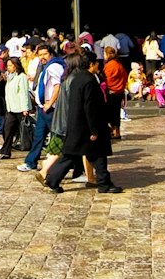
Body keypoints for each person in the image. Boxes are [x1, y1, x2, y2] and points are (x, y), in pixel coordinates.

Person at [38, 51, 122, 194]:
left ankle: (53, 180)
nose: (98, 67)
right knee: (97, 153)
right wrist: (94, 129)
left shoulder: (77, 78)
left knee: (73, 155)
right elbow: (89, 106)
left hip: (77, 124)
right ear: (91, 64)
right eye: (96, 64)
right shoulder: (89, 81)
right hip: (87, 126)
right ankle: (104, 184)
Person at [18, 43, 63, 172]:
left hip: (51, 108)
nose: (42, 57)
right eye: (40, 54)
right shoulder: (44, 66)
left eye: (45, 54)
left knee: (57, 137)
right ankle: (31, 161)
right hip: (42, 107)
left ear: (51, 54)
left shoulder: (54, 67)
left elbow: (57, 86)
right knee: (39, 136)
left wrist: (50, 103)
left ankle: (69, 165)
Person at [0, 56, 32, 159]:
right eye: (7, 65)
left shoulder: (21, 77)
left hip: (20, 108)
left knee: (25, 131)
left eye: (10, 65)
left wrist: (25, 108)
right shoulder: (9, 77)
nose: (8, 67)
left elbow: (23, 93)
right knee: (8, 130)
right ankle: (6, 151)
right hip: (11, 108)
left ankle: (34, 149)